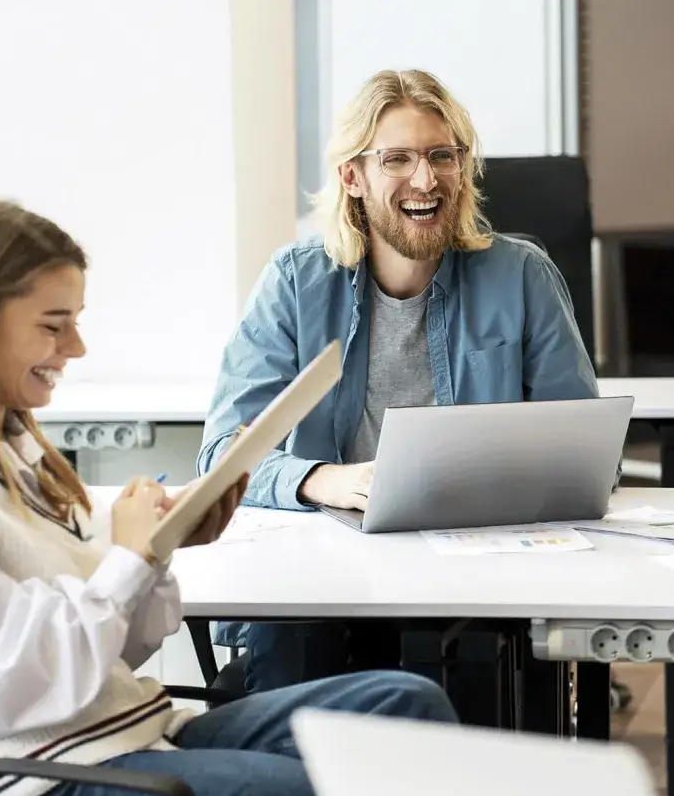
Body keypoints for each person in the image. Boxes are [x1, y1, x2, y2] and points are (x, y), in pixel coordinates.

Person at [0, 197, 457, 796]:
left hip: (126, 733)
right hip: (44, 788)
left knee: (407, 706)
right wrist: (130, 558)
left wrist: (163, 547)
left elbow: (113, 652)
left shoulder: (9, 447)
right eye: (54, 326)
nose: (75, 348)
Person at [200, 69, 599, 692]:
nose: (426, 178)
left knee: (482, 673)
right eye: (398, 159)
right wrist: (325, 480)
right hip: (325, 572)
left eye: (443, 156)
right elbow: (221, 456)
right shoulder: (296, 284)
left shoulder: (522, 276)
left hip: (473, 568)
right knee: (294, 645)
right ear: (352, 178)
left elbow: (583, 451)